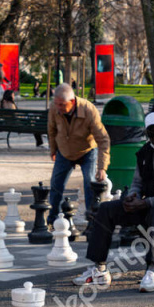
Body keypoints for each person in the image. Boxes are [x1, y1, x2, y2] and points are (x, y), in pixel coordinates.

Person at [72, 111, 154, 294]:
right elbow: (137, 182)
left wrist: (147, 203)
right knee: (106, 209)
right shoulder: (144, 153)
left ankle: (152, 270)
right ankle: (99, 269)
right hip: (148, 206)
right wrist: (133, 196)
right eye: (151, 133)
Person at [46, 83, 110, 225]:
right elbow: (51, 130)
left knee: (90, 182)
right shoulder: (54, 108)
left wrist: (102, 168)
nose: (58, 108)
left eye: (62, 105)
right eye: (56, 104)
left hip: (87, 150)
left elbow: (103, 139)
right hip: (65, 151)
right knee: (56, 184)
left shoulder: (88, 110)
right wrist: (53, 150)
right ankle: (53, 218)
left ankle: (92, 220)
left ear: (72, 102)